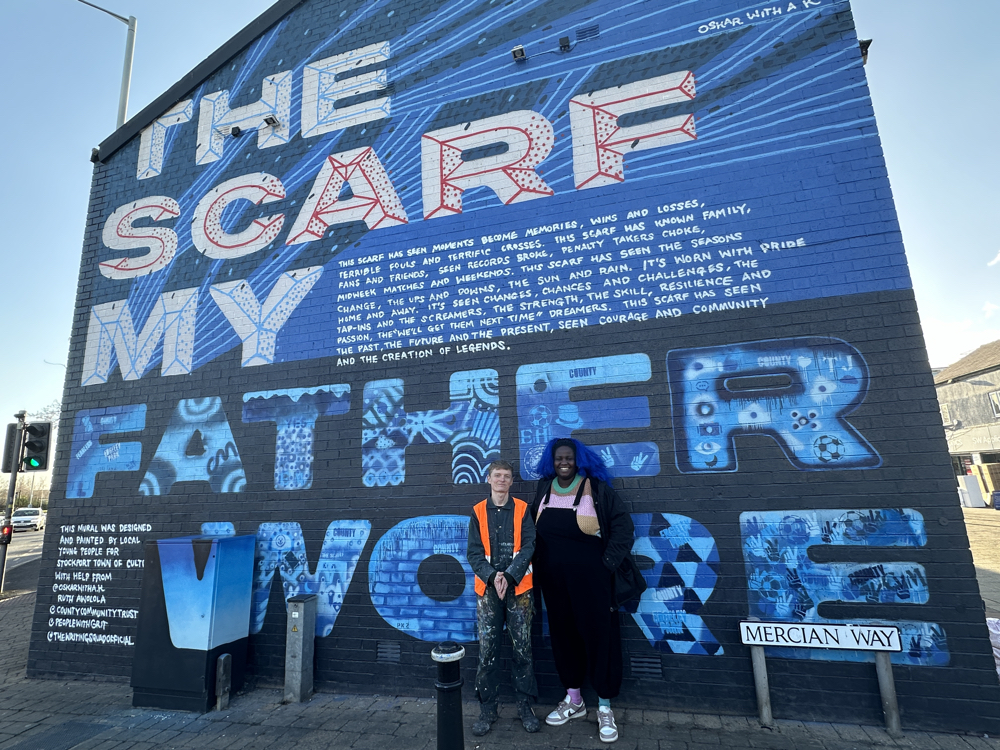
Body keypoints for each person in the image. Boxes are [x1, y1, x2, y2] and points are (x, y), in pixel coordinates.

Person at [530, 438, 634, 744]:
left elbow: (623, 527)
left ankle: (604, 707)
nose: (564, 462)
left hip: (593, 581)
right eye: (559, 458)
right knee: (563, 637)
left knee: (600, 637)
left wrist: (607, 564)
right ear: (552, 462)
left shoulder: (597, 490)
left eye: (569, 458)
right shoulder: (543, 489)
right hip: (554, 583)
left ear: (579, 460)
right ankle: (573, 700)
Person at [466, 459, 541, 735]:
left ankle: (525, 706)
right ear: (489, 479)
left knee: (523, 651)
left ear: (511, 481)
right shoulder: (477, 511)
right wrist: (492, 576)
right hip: (487, 592)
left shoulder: (522, 510)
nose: (501, 480)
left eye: (506, 476)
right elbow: (474, 553)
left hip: (519, 591)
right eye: (497, 475)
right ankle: (488, 709)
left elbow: (530, 546)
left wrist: (508, 576)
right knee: (487, 653)